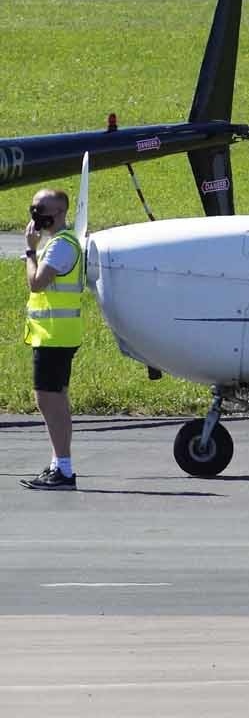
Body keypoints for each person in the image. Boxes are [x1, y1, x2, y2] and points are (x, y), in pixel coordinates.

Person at [20, 187, 83, 491]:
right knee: (55, 400)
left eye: (42, 209)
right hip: (54, 334)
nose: (36, 215)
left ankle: (65, 469)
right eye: (34, 208)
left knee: (48, 401)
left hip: (56, 336)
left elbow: (37, 284)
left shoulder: (60, 246)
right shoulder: (56, 244)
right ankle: (60, 464)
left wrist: (30, 251)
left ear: (59, 213)